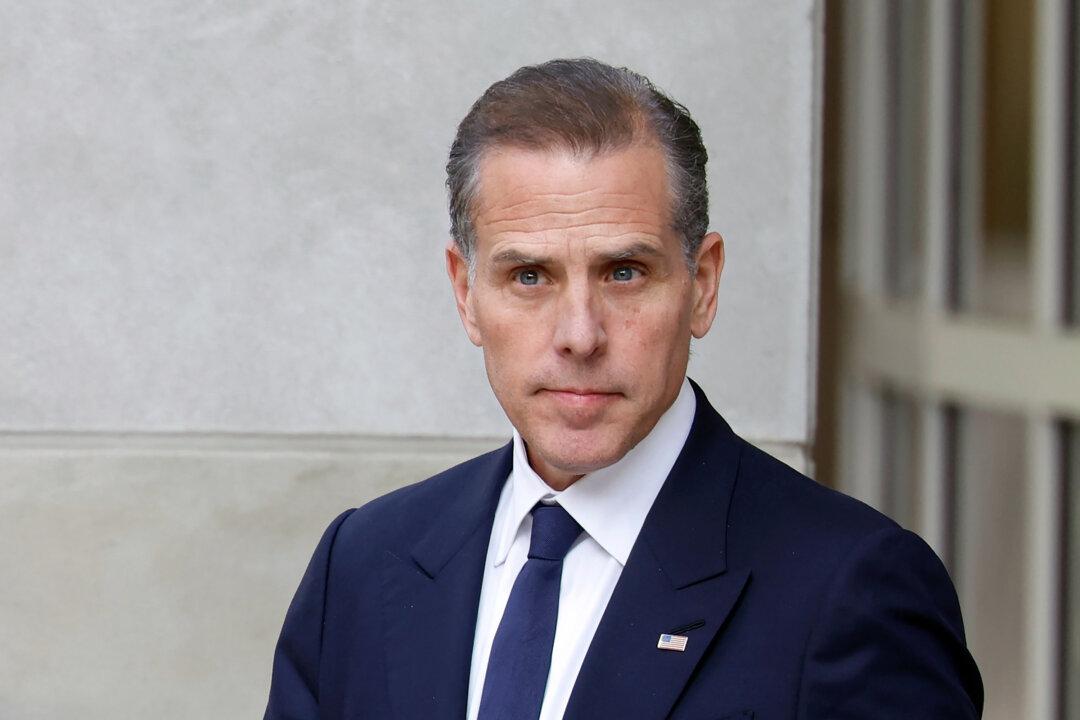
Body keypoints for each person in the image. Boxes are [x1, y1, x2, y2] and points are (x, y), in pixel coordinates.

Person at [264, 58, 983, 720]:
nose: (580, 335)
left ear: (702, 285)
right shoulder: (364, 564)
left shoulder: (850, 591)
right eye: (529, 276)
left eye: (624, 273)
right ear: (465, 294)